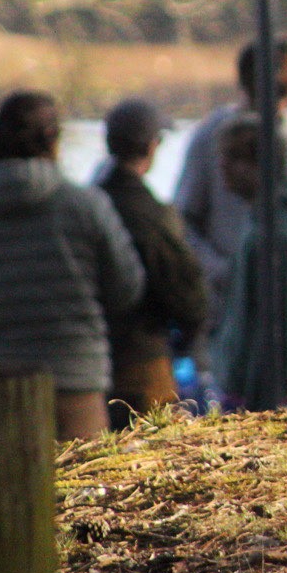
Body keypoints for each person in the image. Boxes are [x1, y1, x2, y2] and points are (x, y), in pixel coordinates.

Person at [0, 91, 146, 440]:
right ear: (53, 139)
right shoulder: (87, 206)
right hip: (76, 384)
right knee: (85, 474)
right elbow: (127, 288)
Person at [174, 37, 287, 352]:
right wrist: (224, 271)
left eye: (283, 95)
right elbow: (183, 221)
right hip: (224, 308)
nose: (274, 105)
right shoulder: (212, 134)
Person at [98, 98, 208, 425]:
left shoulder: (90, 203)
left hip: (89, 366)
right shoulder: (151, 214)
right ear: (151, 146)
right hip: (142, 363)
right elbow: (189, 298)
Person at [210, 115, 287, 409]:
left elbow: (277, 334)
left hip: (270, 397)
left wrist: (256, 407)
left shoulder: (277, 236)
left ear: (261, 166)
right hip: (249, 387)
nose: (222, 166)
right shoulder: (260, 221)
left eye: (235, 157)